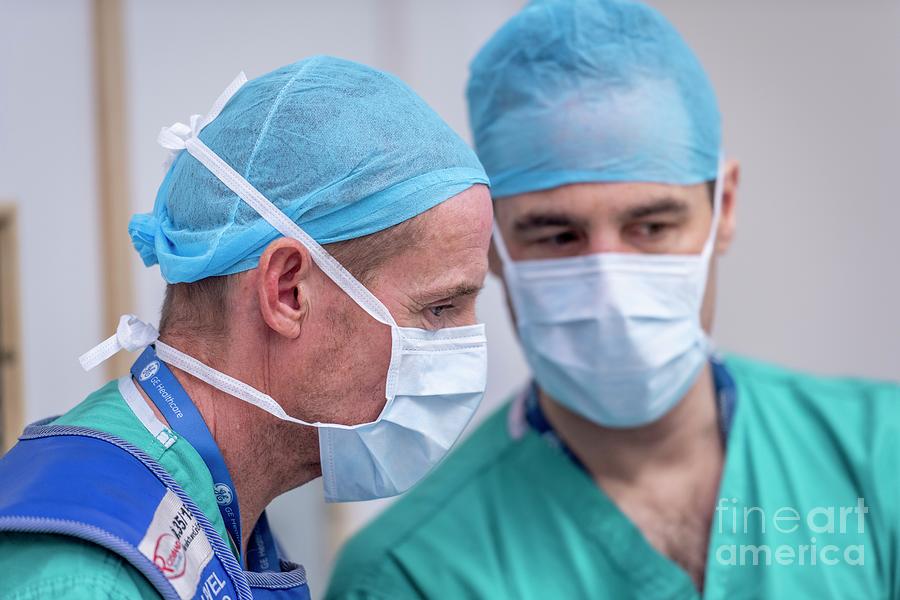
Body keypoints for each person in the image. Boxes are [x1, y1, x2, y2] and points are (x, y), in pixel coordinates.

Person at [326, 1, 900, 598]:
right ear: (488, 243)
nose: (610, 288)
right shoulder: (412, 576)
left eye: (651, 227)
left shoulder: (882, 456)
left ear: (723, 208)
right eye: (557, 236)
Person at [0, 56, 493, 599]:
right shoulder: (87, 578)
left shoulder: (217, 511)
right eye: (440, 309)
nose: (465, 346)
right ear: (288, 291)